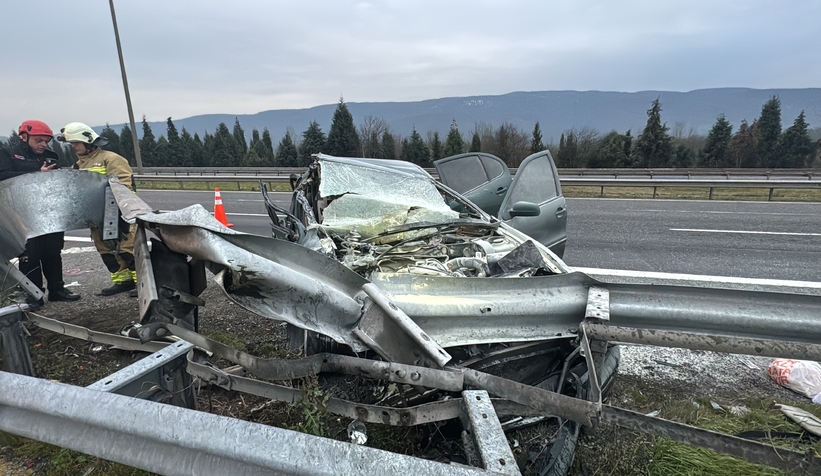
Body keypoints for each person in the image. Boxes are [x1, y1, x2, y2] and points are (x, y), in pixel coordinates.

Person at [0, 120, 81, 310]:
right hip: (21, 214)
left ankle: (57, 289)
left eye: (46, 141)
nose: (43, 145)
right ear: (24, 137)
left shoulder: (50, 156)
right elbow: (3, 176)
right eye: (39, 141)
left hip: (48, 212)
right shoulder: (9, 154)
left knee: (53, 251)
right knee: (30, 254)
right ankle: (33, 294)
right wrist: (37, 172)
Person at [57, 122, 138, 297]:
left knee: (127, 249)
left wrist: (119, 208)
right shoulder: (79, 165)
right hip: (96, 217)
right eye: (71, 144)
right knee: (106, 251)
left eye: (75, 143)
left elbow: (124, 186)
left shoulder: (111, 159)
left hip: (117, 214)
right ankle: (123, 281)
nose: (73, 147)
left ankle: (142, 282)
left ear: (88, 141)